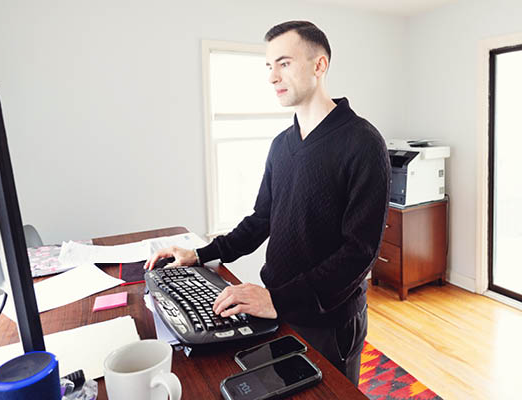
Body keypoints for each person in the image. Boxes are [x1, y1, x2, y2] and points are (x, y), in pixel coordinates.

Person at [145, 20, 390, 385]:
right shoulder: (281, 145)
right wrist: (201, 254)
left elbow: (360, 253)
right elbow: (261, 220)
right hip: (276, 308)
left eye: (285, 63)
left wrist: (277, 299)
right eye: (269, 66)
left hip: (328, 320)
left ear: (319, 65)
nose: (273, 76)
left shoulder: (363, 143)